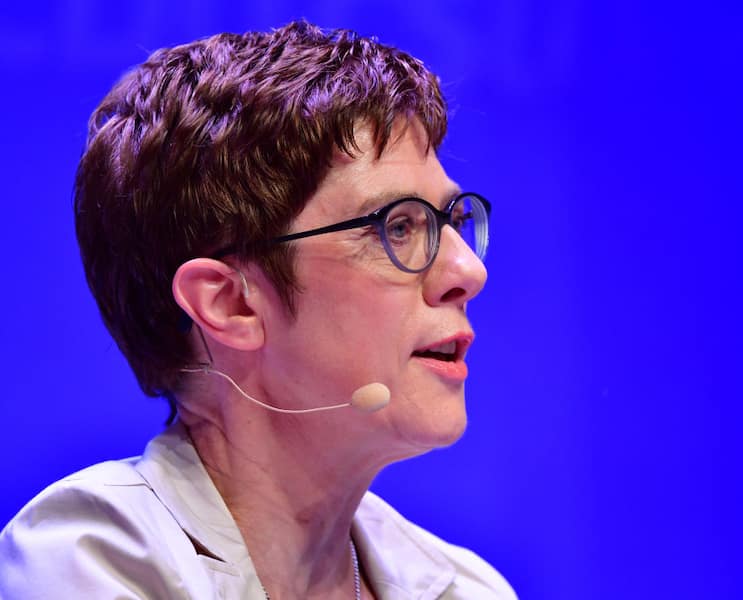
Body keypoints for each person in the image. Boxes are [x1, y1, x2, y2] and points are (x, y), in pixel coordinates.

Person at [0, 21, 515, 599]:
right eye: (397, 227)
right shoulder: (92, 561)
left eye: (452, 220)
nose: (468, 272)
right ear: (230, 303)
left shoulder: (469, 589)